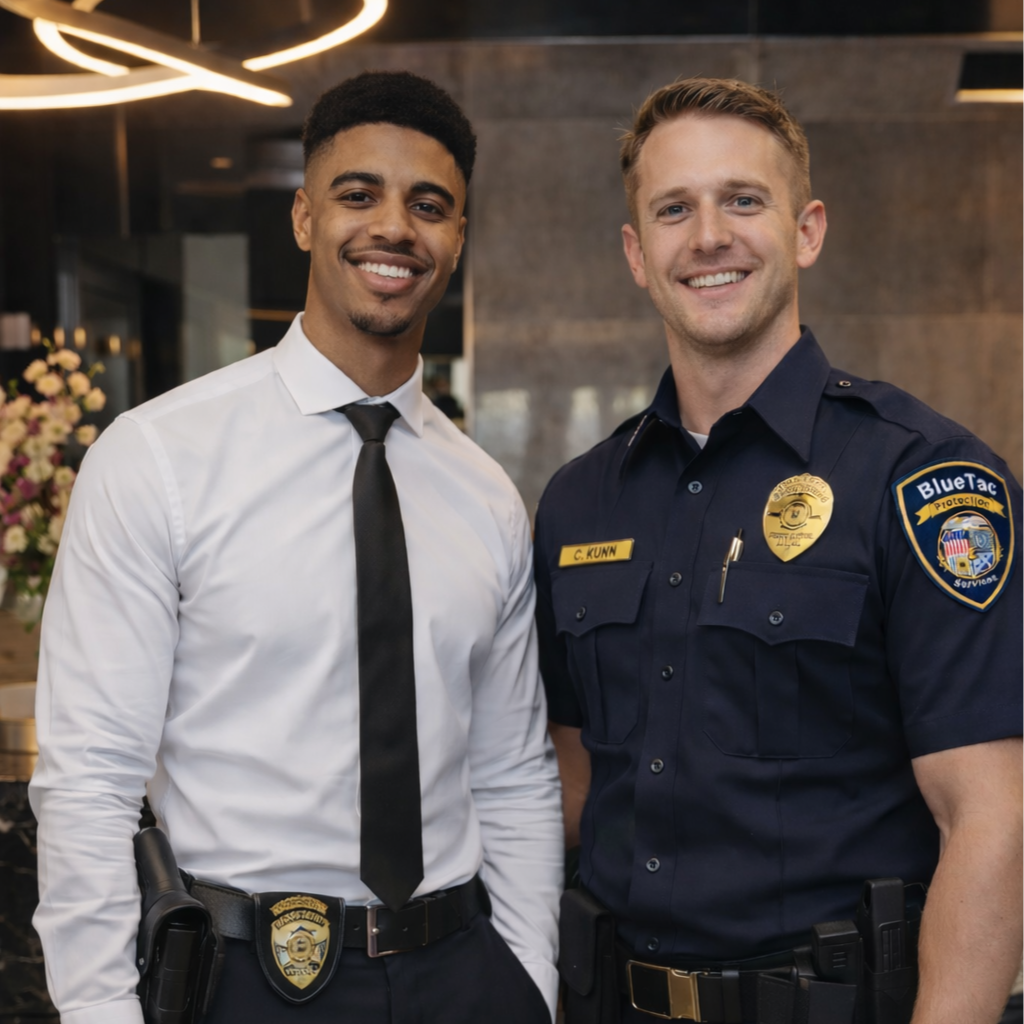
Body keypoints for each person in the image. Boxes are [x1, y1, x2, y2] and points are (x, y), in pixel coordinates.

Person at [30, 70, 562, 1024]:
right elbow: (90, 782)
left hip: (464, 974)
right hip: (246, 980)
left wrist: (528, 982)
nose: (394, 227)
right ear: (306, 217)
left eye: (429, 205)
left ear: (458, 238)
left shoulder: (486, 496)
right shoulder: (158, 458)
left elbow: (513, 773)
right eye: (359, 194)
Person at [533, 76, 1024, 1024]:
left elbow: (993, 815)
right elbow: (569, 784)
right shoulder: (578, 501)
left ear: (807, 230)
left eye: (742, 200)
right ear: (638, 253)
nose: (709, 235)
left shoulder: (926, 480)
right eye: (674, 209)